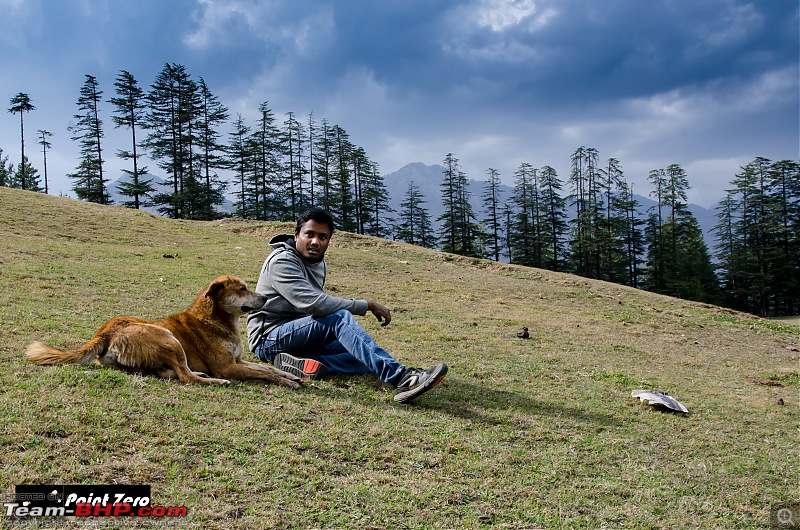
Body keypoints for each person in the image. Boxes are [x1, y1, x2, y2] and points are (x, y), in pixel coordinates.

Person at [247, 207, 448, 404]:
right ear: (297, 234)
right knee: (339, 317)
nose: (315, 241)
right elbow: (314, 303)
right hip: (268, 338)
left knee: (363, 355)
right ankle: (402, 378)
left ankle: (302, 362)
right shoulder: (282, 261)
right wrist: (366, 305)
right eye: (309, 234)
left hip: (299, 333)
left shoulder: (317, 262)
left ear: (328, 241)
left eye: (322, 237)